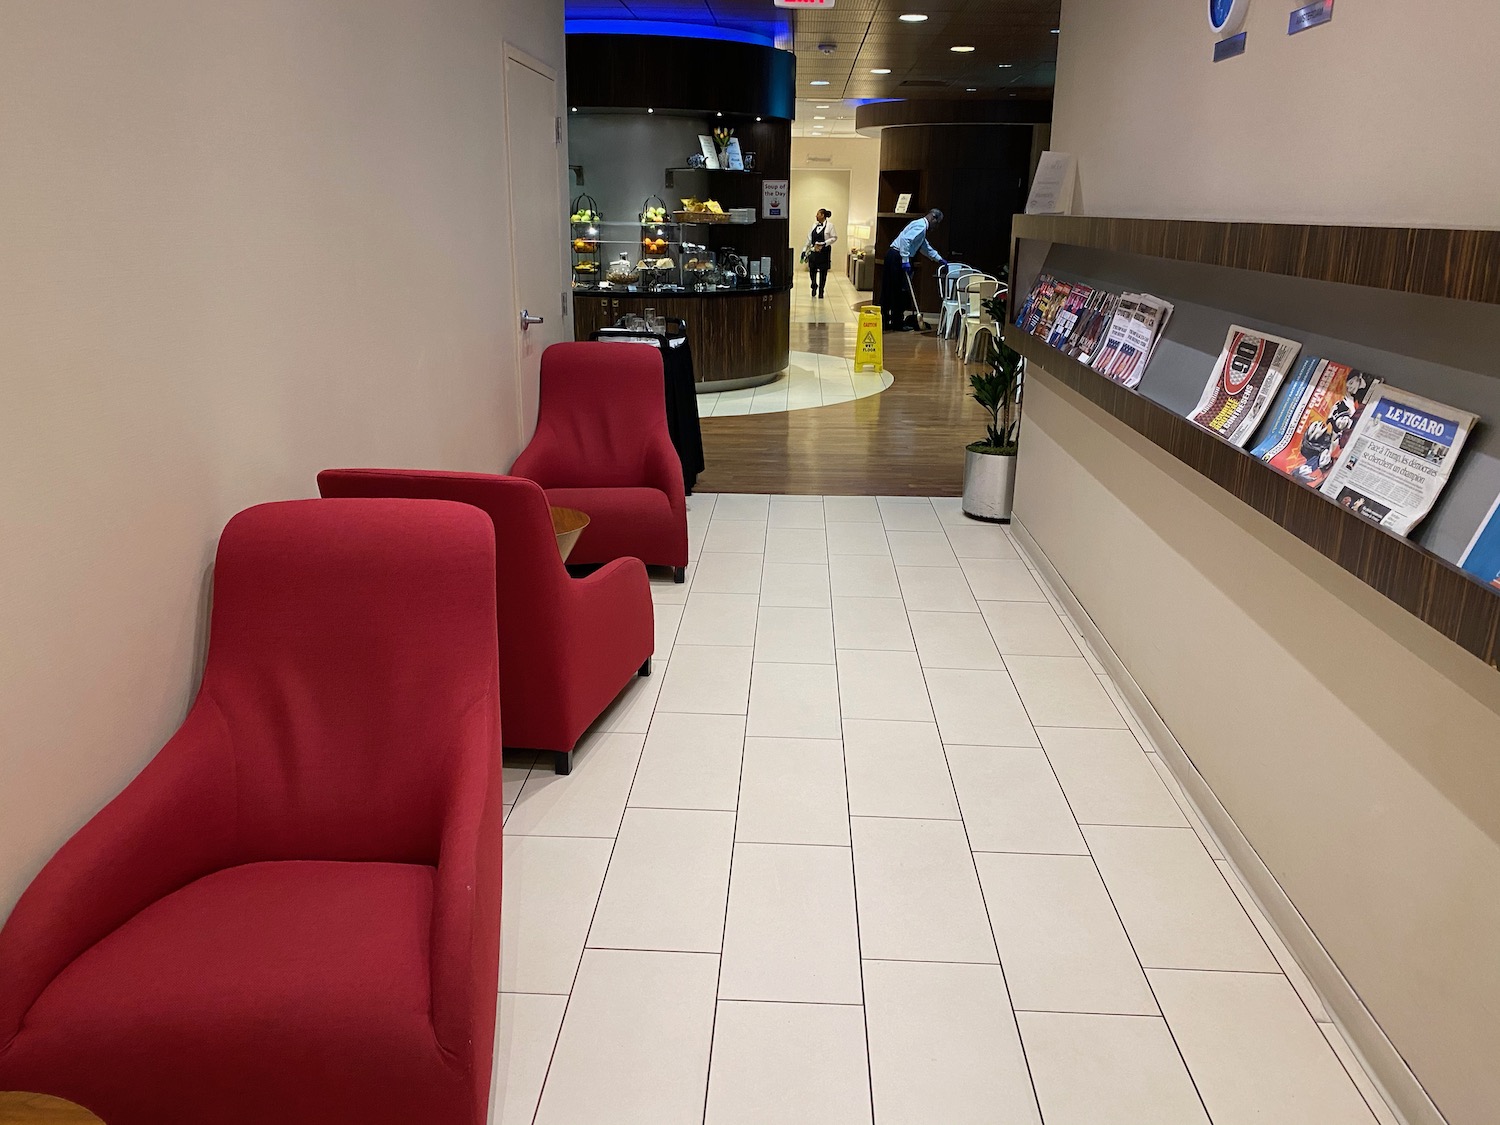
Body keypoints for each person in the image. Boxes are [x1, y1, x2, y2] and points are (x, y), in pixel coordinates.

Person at [882, 208, 946, 331]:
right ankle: (895, 323)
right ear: (933, 217)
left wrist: (939, 259)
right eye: (937, 223)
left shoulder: (919, 226)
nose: (936, 227)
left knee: (894, 289)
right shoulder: (920, 226)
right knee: (896, 290)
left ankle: (890, 320)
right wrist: (905, 260)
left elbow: (924, 246)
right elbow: (906, 241)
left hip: (895, 255)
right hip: (898, 257)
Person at [803, 208, 838, 299]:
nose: (816, 216)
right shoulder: (814, 225)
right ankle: (814, 285)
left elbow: (834, 237)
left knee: (823, 272)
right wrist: (804, 250)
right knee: (812, 270)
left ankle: (821, 290)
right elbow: (809, 238)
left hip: (824, 252)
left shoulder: (830, 226)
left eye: (818, 214)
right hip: (814, 251)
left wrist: (825, 243)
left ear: (822, 215)